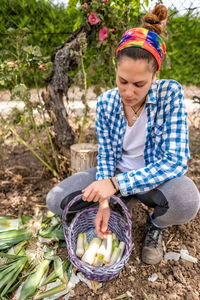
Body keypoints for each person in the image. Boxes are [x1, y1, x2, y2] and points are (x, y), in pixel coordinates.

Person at [46, 4, 200, 265]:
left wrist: (116, 185)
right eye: (122, 81)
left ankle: (155, 224)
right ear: (116, 73)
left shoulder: (170, 95)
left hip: (153, 182)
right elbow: (106, 155)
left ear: (154, 76)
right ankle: (117, 207)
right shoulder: (107, 103)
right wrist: (104, 198)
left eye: (139, 84)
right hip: (115, 178)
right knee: (56, 200)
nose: (128, 92)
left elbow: (174, 161)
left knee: (187, 201)